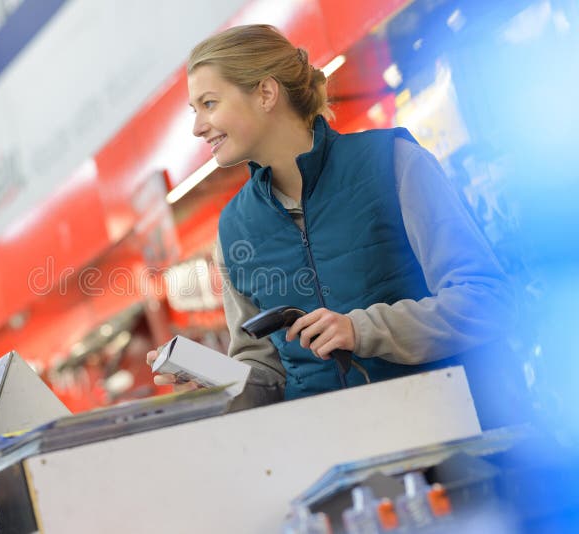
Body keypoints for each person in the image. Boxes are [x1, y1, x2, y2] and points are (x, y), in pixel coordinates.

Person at [148, 24, 527, 428]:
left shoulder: (392, 163)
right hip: (338, 459)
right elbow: (268, 373)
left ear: (265, 93)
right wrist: (213, 385)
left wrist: (361, 329)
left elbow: (488, 299)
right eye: (195, 111)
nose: (198, 127)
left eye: (209, 103)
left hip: (460, 436)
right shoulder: (234, 230)